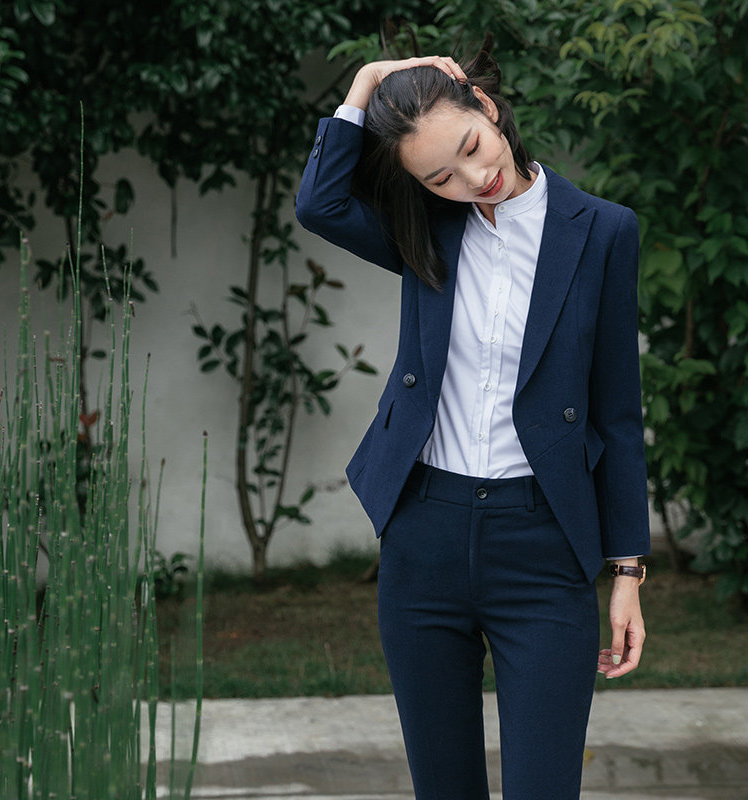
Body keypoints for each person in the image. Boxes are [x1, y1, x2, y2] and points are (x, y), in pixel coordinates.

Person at [296, 41, 650, 800]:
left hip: (544, 545)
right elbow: (319, 204)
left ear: (486, 108)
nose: (471, 177)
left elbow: (619, 414)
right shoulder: (426, 227)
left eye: (470, 147)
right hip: (423, 535)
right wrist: (366, 81)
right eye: (439, 177)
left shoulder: (603, 231)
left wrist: (626, 572)